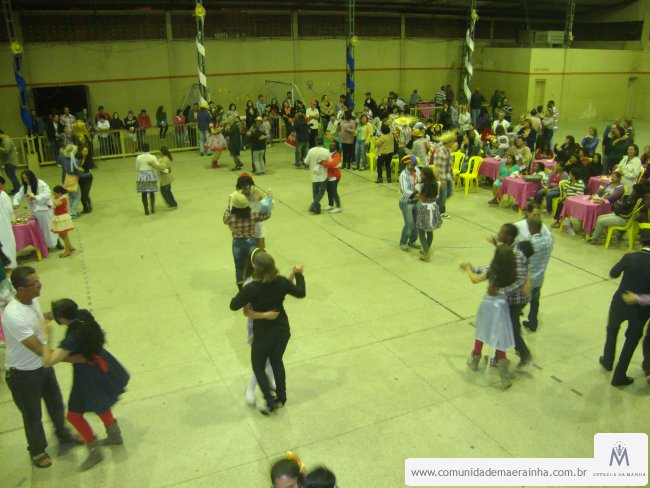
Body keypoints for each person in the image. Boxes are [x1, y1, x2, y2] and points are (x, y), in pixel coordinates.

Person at [3, 266, 80, 469]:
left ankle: (63, 434)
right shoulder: (13, 315)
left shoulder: (32, 299)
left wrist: (57, 314)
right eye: (35, 283)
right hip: (23, 374)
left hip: (43, 366)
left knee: (56, 403)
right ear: (21, 289)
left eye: (39, 280)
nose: (40, 285)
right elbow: (40, 349)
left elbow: (37, 319)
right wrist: (74, 358)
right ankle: (37, 450)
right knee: (32, 415)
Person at [39, 299, 129, 470]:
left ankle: (94, 451)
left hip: (87, 375)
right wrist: (48, 315)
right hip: (100, 366)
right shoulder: (83, 315)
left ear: (62, 318)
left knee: (73, 416)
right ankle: (115, 436)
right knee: (101, 404)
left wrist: (44, 337)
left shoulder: (73, 339)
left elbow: (48, 361)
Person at [230, 251, 305, 414]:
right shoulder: (281, 282)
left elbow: (234, 305)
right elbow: (300, 292)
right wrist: (298, 274)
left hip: (263, 335)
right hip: (282, 331)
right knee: (277, 361)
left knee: (258, 366)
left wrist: (244, 293)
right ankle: (281, 397)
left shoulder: (251, 288)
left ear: (255, 267)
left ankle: (269, 401)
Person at [461, 244, 517, 389]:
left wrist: (468, 269)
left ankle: (475, 360)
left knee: (481, 331)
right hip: (502, 307)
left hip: (487, 305)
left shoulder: (492, 271)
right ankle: (504, 375)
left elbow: (475, 279)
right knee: (499, 338)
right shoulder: (513, 273)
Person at [599, 228, 650, 386]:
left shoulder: (630, 257)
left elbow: (613, 273)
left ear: (640, 243)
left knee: (612, 330)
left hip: (620, 302)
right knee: (631, 340)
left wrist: (626, 257)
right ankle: (619, 375)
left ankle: (607, 361)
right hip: (641, 310)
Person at [488, 224, 532, 367]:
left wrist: (502, 291)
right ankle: (497, 357)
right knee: (503, 326)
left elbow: (520, 281)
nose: (498, 233)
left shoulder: (515, 255)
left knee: (510, 328)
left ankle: (524, 354)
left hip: (516, 299)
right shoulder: (506, 251)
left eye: (501, 232)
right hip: (508, 298)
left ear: (508, 237)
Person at [223, 191, 271, 289]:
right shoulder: (253, 215)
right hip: (251, 243)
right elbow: (267, 215)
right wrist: (267, 203)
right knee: (253, 266)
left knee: (239, 268)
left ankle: (241, 289)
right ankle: (253, 287)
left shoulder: (231, 217)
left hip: (237, 245)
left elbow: (225, 219)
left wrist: (228, 205)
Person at [522, 216, 553, 332]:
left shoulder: (529, 243)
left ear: (530, 228)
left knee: (517, 304)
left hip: (527, 280)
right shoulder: (549, 240)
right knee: (535, 301)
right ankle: (533, 322)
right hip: (540, 278)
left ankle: (514, 327)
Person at [13, 170, 58, 249]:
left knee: (48, 228)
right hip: (35, 211)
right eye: (23, 178)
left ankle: (56, 242)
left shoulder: (41, 183)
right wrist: (16, 203)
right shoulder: (25, 187)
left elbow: (47, 194)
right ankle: (44, 245)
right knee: (40, 230)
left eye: (27, 178)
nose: (25, 180)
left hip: (44, 210)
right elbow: (18, 195)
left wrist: (35, 197)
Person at [236, 173, 272, 249]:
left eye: (248, 185)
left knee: (261, 248)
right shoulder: (237, 196)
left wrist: (268, 201)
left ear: (251, 184)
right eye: (243, 185)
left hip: (258, 224)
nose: (246, 187)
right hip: (244, 227)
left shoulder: (258, 193)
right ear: (240, 186)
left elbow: (267, 211)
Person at [415, 167, 442, 262]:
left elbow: (423, 198)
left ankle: (426, 253)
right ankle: (426, 249)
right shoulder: (437, 184)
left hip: (424, 209)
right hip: (434, 208)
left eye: (422, 174)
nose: (420, 175)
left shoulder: (420, 186)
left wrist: (418, 195)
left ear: (426, 176)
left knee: (421, 231)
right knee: (430, 231)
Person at [398, 155, 421, 251]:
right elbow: (405, 191)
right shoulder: (403, 175)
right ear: (407, 164)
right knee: (410, 223)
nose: (414, 167)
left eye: (415, 164)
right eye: (412, 165)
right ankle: (403, 242)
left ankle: (412, 241)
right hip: (406, 202)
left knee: (417, 222)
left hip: (416, 201)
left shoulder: (417, 171)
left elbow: (420, 182)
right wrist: (416, 195)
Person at [433, 130, 456, 219]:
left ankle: (434, 205)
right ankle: (441, 212)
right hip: (442, 178)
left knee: (449, 193)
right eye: (453, 141)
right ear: (448, 142)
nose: (454, 142)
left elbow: (449, 166)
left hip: (447, 177)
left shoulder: (448, 151)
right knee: (443, 196)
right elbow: (438, 167)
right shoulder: (441, 152)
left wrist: (452, 176)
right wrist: (441, 180)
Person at [306, 137, 330, 214]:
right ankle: (314, 205)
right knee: (321, 191)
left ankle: (317, 208)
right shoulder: (326, 151)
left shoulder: (311, 150)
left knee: (315, 191)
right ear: (323, 142)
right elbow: (330, 162)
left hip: (314, 175)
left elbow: (306, 162)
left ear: (315, 141)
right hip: (323, 175)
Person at [50, 186, 75, 258]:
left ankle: (67, 251)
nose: (54, 195)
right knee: (60, 234)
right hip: (58, 217)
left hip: (63, 218)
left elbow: (57, 204)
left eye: (55, 193)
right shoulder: (58, 198)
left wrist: (52, 198)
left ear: (60, 193)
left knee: (64, 235)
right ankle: (70, 246)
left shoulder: (63, 199)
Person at [135, 143, 158, 215]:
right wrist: (156, 177)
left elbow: (137, 167)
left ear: (142, 149)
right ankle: (152, 208)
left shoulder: (138, 157)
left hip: (142, 175)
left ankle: (146, 210)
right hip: (150, 174)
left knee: (143, 194)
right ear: (149, 148)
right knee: (152, 193)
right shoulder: (153, 157)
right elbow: (156, 167)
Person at [0, 176, 17, 267]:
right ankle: (8, 264)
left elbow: (9, 210)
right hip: (4, 222)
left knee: (6, 242)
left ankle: (8, 264)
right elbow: (9, 210)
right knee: (7, 242)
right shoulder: (3, 195)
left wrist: (12, 218)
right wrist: (12, 218)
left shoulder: (3, 195)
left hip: (4, 222)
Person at [61, 144, 81, 218]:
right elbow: (78, 173)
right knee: (77, 196)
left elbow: (63, 170)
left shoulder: (63, 160)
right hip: (73, 180)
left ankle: (71, 211)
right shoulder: (75, 161)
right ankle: (73, 212)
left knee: (71, 196)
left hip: (66, 179)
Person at [322, 141, 342, 213]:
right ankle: (331, 204)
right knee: (329, 190)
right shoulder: (327, 152)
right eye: (330, 145)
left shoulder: (337, 155)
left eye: (333, 146)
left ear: (336, 148)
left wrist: (323, 163)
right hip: (328, 175)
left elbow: (332, 164)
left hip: (335, 175)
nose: (331, 146)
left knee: (333, 191)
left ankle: (338, 207)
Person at [0, 129, 20, 194]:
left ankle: (17, 189)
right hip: (8, 161)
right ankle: (16, 188)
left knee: (12, 176)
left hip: (10, 162)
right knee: (11, 176)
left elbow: (6, 150)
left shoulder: (7, 140)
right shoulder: (4, 140)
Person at [77, 145, 94, 214]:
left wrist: (83, 170)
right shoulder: (78, 158)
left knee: (84, 196)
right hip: (80, 179)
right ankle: (86, 208)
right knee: (84, 195)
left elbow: (90, 167)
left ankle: (88, 208)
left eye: (86, 151)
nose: (84, 152)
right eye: (83, 151)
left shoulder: (89, 160)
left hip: (88, 179)